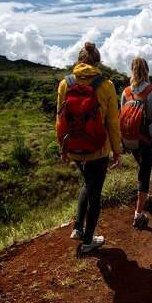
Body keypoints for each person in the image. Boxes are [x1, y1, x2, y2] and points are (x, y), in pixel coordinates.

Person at [56, 42, 122, 254]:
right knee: (95, 193)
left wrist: (62, 148)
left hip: (74, 147)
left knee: (87, 183)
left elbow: (59, 120)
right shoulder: (106, 85)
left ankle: (77, 228)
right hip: (98, 149)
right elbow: (113, 122)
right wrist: (117, 151)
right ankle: (87, 242)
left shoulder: (64, 84)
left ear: (79, 60)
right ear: (97, 62)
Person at [120, 57, 152, 229]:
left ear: (132, 70)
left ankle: (146, 196)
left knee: (142, 167)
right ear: (147, 70)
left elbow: (121, 116)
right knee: (144, 172)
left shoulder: (125, 92)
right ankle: (139, 213)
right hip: (147, 139)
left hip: (130, 139)